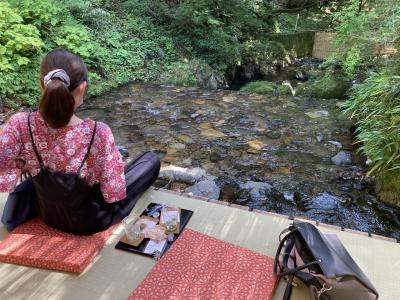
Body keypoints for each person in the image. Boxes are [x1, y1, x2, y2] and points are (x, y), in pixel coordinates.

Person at [0, 49, 160, 234]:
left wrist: (24, 164)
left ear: (42, 85)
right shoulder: (98, 132)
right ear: (82, 87)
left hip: (49, 216)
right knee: (150, 160)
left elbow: (4, 175)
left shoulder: (20, 123)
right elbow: (113, 193)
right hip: (90, 222)